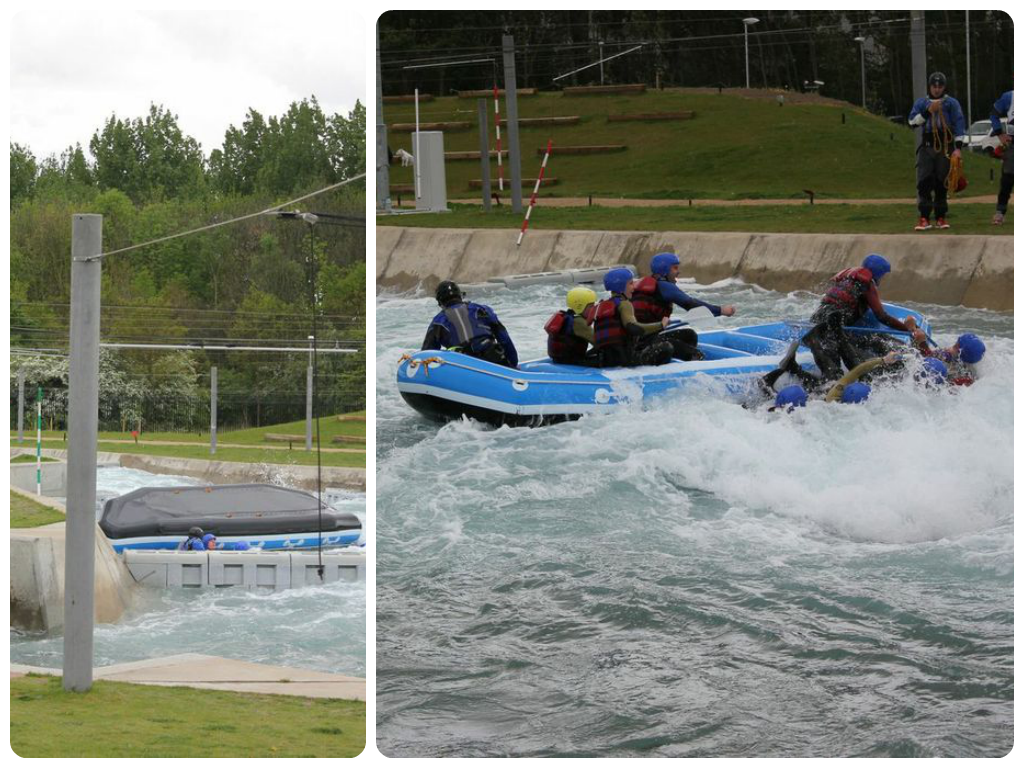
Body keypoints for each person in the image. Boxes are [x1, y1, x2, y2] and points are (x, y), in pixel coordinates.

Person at [799, 254, 912, 382]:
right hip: (835, 329)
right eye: (883, 275)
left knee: (831, 372)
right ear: (878, 273)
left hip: (818, 325)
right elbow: (882, 317)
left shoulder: (845, 280)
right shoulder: (867, 285)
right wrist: (906, 329)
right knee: (875, 341)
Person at [630, 252, 737, 361]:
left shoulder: (646, 284)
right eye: (675, 268)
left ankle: (680, 360)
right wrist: (721, 310)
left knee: (689, 335)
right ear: (665, 270)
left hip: (645, 339)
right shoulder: (664, 286)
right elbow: (691, 304)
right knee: (697, 355)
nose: (678, 272)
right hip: (642, 344)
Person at [908, 72, 966, 230]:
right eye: (934, 86)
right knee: (924, 182)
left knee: (942, 181)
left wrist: (958, 149)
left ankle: (941, 216)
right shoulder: (922, 103)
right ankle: (924, 217)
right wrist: (928, 112)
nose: (937, 89)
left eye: (940, 86)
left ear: (944, 87)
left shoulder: (951, 103)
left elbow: (959, 124)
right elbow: (912, 122)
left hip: (946, 146)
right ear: (930, 86)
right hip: (927, 146)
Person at [422, 281, 518, 368]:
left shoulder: (438, 322)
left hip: (465, 367)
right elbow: (504, 338)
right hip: (494, 361)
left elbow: (426, 355)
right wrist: (513, 364)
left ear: (440, 303)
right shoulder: (482, 309)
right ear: (460, 295)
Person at [593, 268, 674, 367]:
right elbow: (633, 328)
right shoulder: (624, 304)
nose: (634, 288)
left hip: (605, 361)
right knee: (666, 346)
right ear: (621, 287)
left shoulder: (602, 306)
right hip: (626, 361)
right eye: (631, 283)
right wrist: (661, 325)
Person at [906, 319, 986, 385]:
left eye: (955, 346)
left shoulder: (946, 356)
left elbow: (925, 357)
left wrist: (922, 342)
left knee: (934, 367)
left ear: (959, 351)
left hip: (930, 383)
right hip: (946, 390)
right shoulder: (971, 375)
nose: (949, 348)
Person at [545, 286, 598, 366]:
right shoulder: (579, 322)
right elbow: (599, 343)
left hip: (561, 360)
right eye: (591, 306)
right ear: (580, 307)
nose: (593, 309)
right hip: (572, 362)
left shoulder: (567, 316)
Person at [990, 89, 1013, 226]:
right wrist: (999, 132)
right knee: (1007, 179)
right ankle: (1000, 211)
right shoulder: (1009, 97)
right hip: (1014, 143)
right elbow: (994, 114)